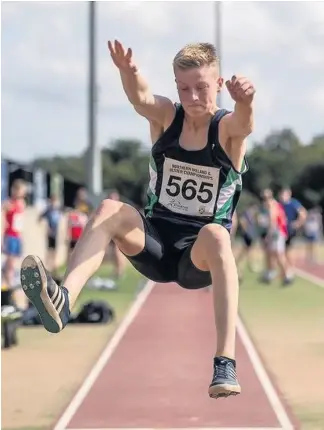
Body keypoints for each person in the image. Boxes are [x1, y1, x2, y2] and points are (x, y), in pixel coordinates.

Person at [20, 40, 255, 399]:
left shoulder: (225, 130)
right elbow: (141, 98)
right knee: (110, 209)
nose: (192, 96)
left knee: (217, 234)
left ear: (219, 84)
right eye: (184, 88)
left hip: (198, 255)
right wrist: (128, 72)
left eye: (201, 87)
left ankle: (225, 361)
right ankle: (65, 300)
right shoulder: (167, 116)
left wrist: (245, 101)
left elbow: (244, 123)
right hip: (156, 243)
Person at [2, 179, 28, 309]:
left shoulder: (22, 203)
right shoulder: (9, 203)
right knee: (9, 264)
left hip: (17, 236)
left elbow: (20, 223)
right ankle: (8, 288)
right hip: (10, 236)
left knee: (14, 264)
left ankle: (10, 285)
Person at [259, 189, 291, 285]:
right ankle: (270, 273)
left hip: (277, 232)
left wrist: (268, 235)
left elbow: (273, 221)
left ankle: (287, 275)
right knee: (270, 253)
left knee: (278, 254)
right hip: (276, 232)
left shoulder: (272, 205)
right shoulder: (272, 205)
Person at [279, 187, 307, 276]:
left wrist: (298, 223)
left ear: (289, 194)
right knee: (282, 251)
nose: (283, 196)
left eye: (285, 194)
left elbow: (303, 213)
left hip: (289, 230)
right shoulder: (280, 204)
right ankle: (286, 269)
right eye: (282, 194)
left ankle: (291, 269)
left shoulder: (293, 203)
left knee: (288, 250)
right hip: (281, 231)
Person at [38, 195, 62, 274]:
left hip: (56, 233)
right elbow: (40, 218)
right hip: (50, 233)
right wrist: (46, 227)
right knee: (49, 250)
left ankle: (54, 266)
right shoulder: (48, 210)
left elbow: (60, 220)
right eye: (53, 201)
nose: (54, 203)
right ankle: (47, 266)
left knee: (54, 250)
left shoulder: (58, 210)